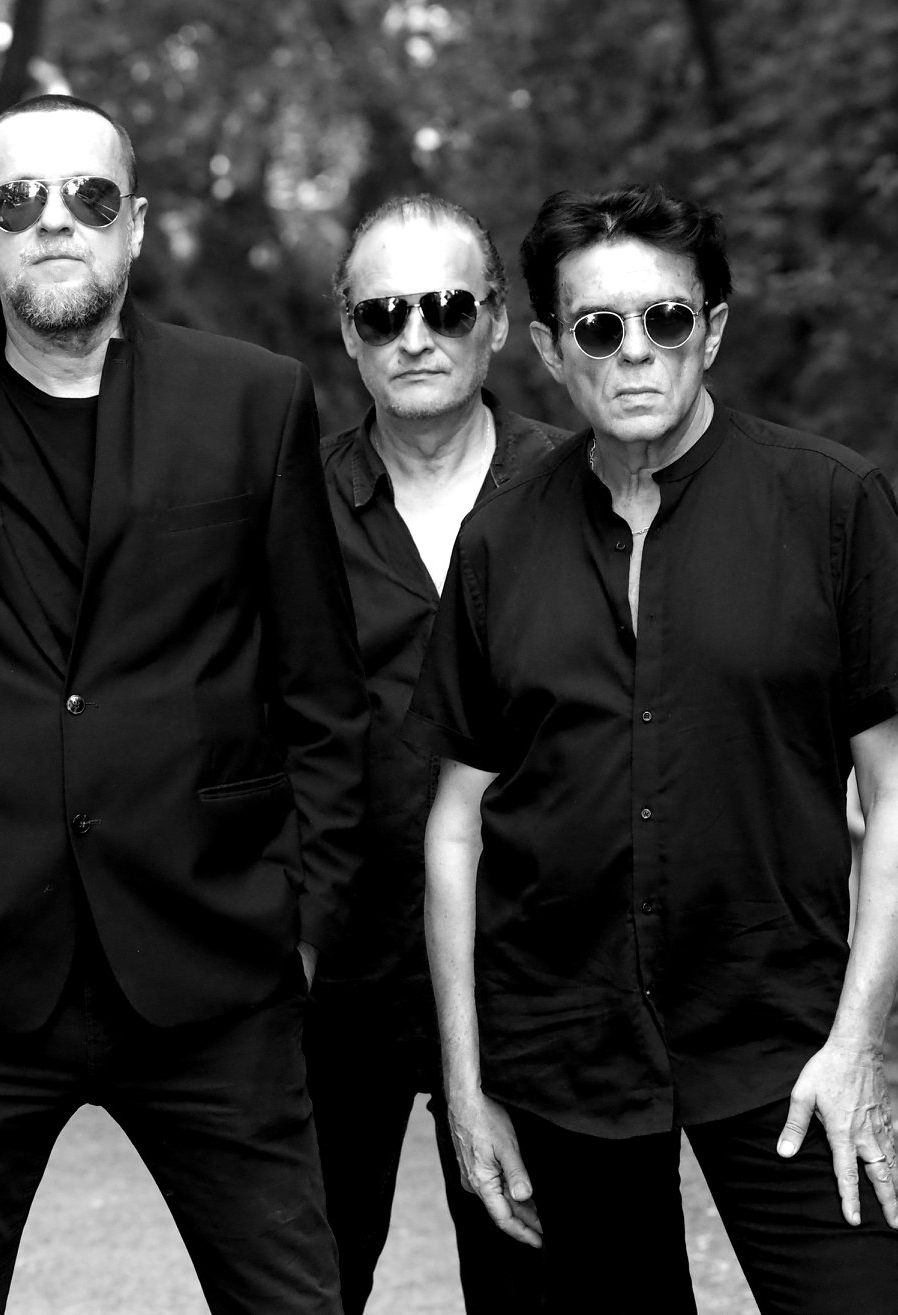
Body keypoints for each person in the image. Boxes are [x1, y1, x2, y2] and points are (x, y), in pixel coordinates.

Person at [0, 93, 369, 1313]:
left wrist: (304, 913)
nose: (54, 221)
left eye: (89, 195)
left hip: (213, 960)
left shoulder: (251, 399)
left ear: (134, 226)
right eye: (19, 200)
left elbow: (320, 684)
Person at [407, 182, 898, 1314]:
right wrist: (464, 1083)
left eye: (664, 319)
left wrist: (856, 1041)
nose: (634, 353)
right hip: (563, 1043)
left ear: (710, 329)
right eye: (598, 327)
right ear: (550, 350)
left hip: (784, 1034)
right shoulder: (498, 539)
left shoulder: (830, 503)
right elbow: (456, 821)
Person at [310, 194, 557, 1313]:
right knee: (301, 1290)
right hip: (334, 980)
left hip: (537, 977)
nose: (414, 335)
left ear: (496, 321)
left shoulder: (581, 489)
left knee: (535, 1289)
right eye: (382, 313)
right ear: (347, 330)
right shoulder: (286, 510)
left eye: (447, 307)